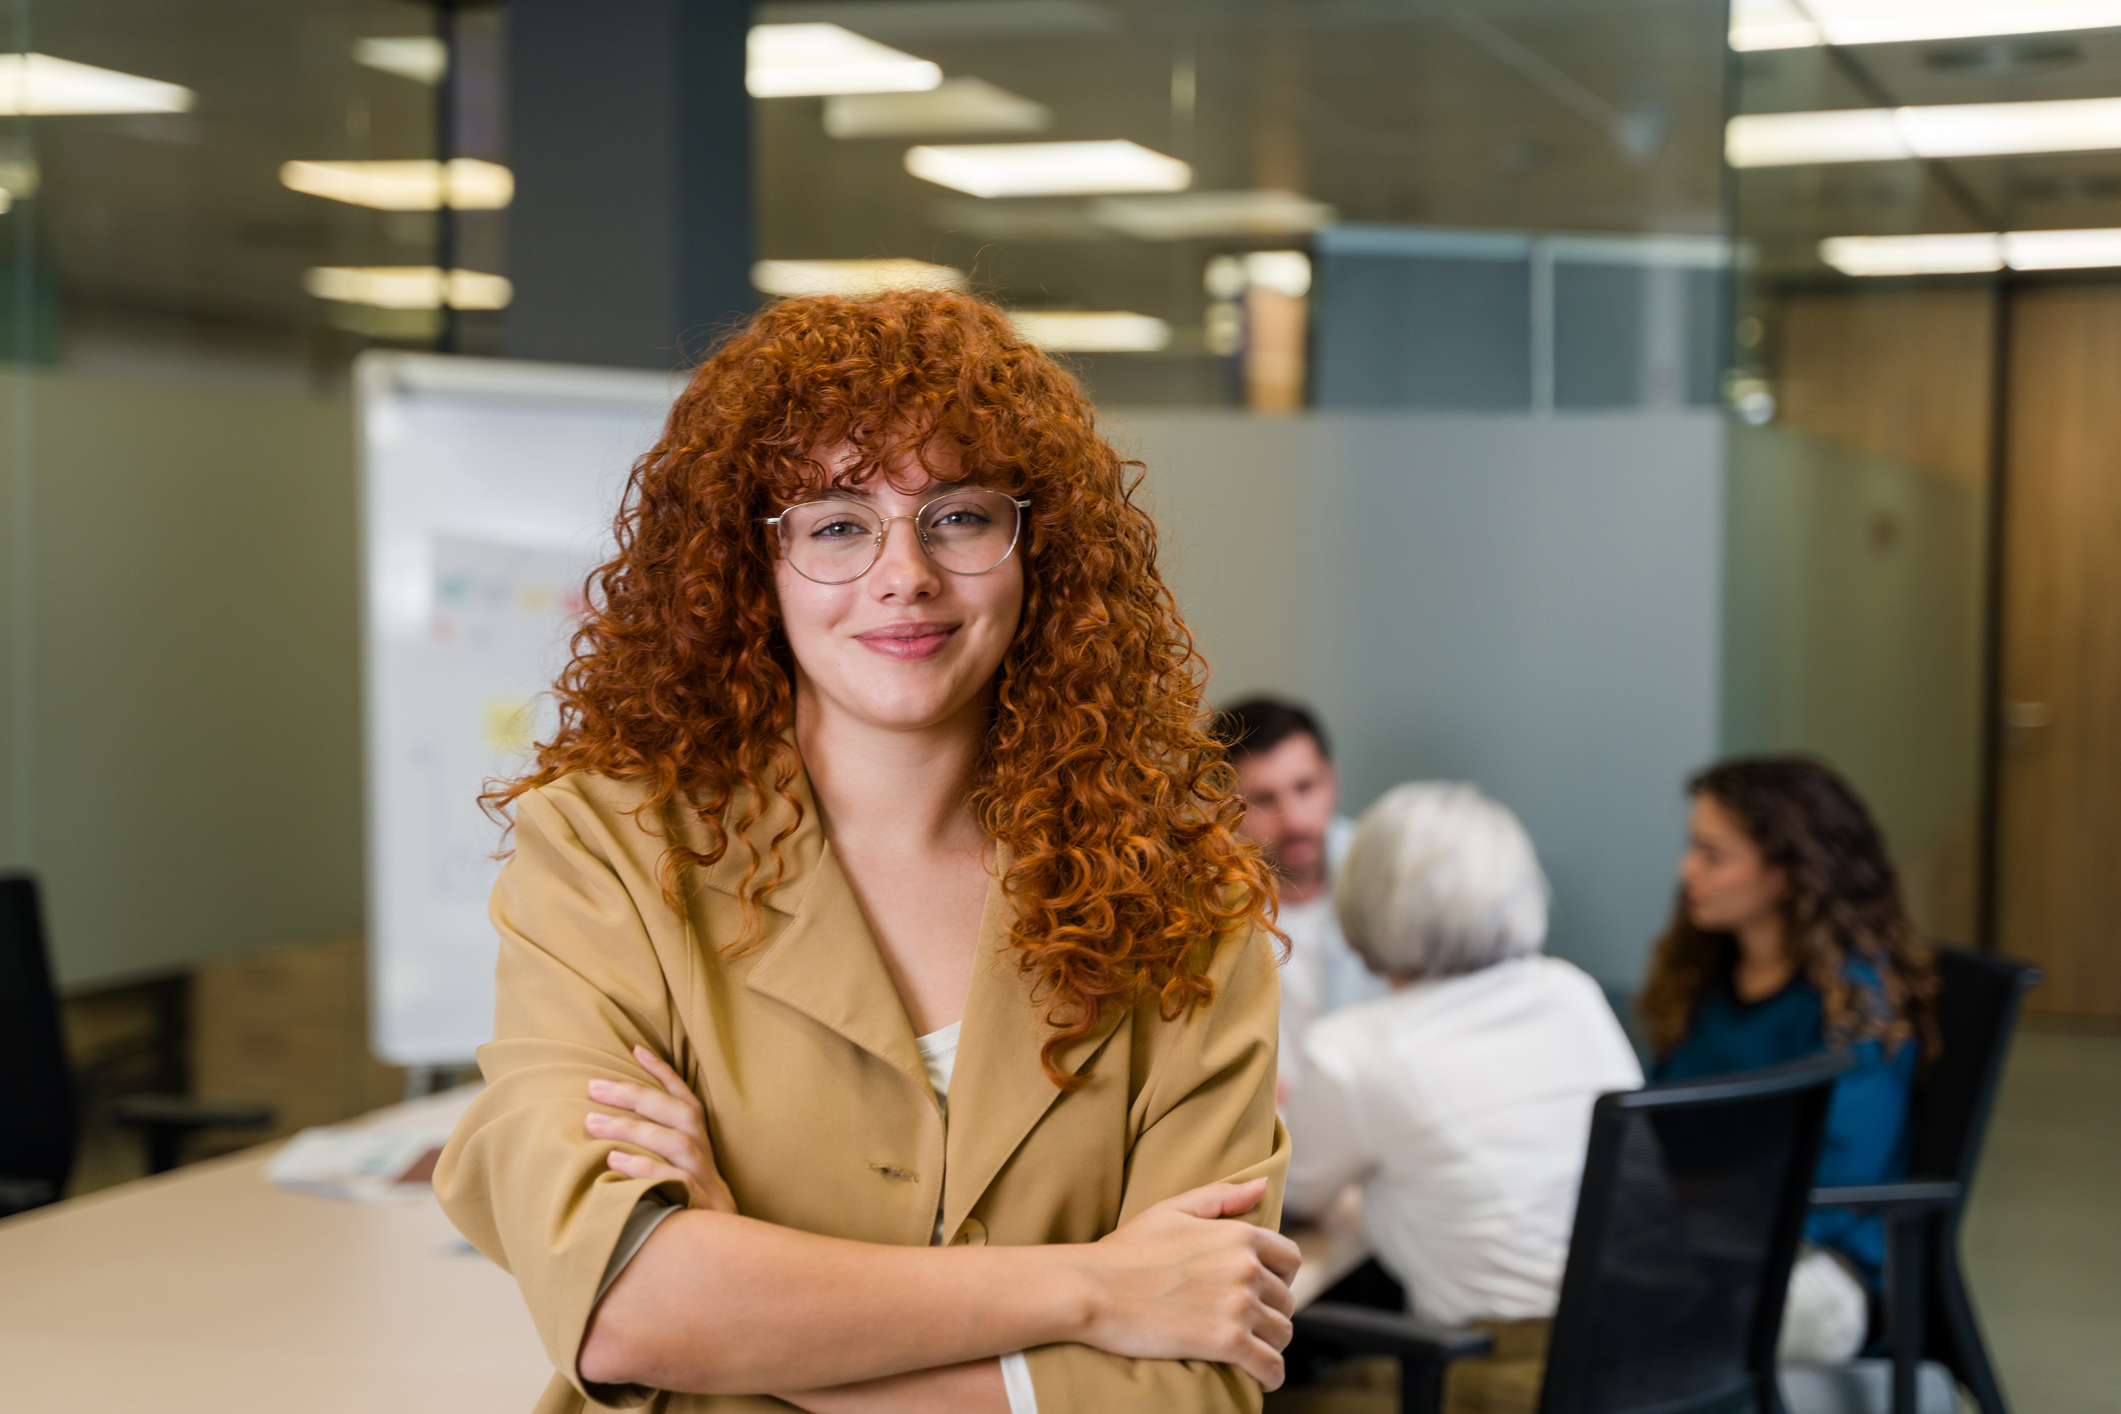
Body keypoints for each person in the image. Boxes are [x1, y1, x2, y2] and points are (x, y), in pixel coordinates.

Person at [434, 289, 1301, 1414]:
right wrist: (1092, 1291)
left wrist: (744, 1301)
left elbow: (1197, 1376)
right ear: (755, 567)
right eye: (837, 522)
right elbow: (626, 1311)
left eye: (960, 515)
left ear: (1042, 548)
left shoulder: (1182, 895)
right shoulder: (606, 849)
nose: (907, 575)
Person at [1283, 783, 1644, 1414]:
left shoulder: (1358, 1048)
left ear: (1366, 897)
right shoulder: (1572, 991)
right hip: (1643, 1348)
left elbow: (1294, 1193)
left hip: (1510, 1370)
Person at [1639, 755, 1939, 1366]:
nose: (1686, 870)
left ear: (1786, 875)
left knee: (1657, 1324)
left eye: (1712, 856)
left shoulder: (1857, 1003)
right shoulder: (1703, 976)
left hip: (1818, 1264)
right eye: (1692, 848)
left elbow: (1834, 1184)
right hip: (1704, 1237)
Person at [1211, 698, 1386, 1091]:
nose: (1295, 820)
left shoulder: (1391, 883)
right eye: (1264, 799)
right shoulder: (1203, 913)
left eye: (1305, 787)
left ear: (1333, 779)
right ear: (1224, 810)